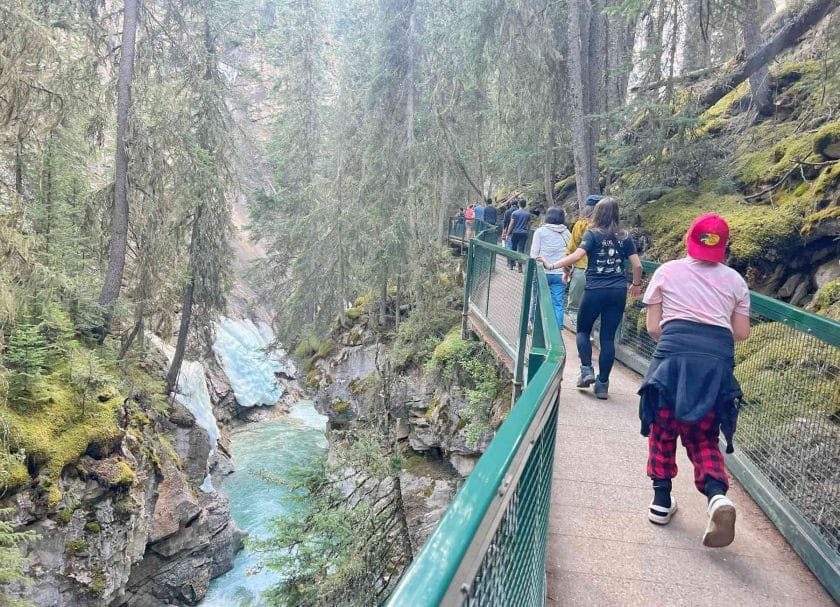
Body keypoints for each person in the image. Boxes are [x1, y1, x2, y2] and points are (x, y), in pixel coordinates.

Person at [639, 213, 750, 548]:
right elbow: (741, 333)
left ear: (690, 238)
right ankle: (716, 496)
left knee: (663, 428)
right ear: (723, 248)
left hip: (672, 358)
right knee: (703, 436)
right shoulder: (735, 282)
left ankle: (661, 500)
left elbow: (653, 327)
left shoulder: (667, 271)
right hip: (715, 365)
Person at [536, 197, 642, 399]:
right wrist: (636, 286)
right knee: (608, 338)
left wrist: (551, 266)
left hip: (595, 289)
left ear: (597, 213)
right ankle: (602, 385)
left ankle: (586, 370)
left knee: (583, 330)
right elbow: (637, 266)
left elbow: (577, 256)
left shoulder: (592, 234)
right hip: (618, 290)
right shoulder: (625, 236)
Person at [530, 206, 571, 328]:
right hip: (560, 273)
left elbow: (534, 254)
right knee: (558, 303)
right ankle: (557, 329)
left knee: (537, 298)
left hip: (542, 272)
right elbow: (570, 253)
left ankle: (534, 324)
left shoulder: (540, 232)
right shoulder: (567, 233)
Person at [566, 195, 602, 319]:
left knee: (576, 306)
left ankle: (581, 331)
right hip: (602, 271)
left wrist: (567, 268)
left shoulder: (580, 225)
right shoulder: (609, 227)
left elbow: (572, 247)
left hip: (581, 269)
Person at [506, 199, 531, 272]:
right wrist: (527, 230)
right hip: (523, 233)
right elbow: (529, 223)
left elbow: (511, 224)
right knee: (521, 249)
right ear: (525, 205)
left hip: (515, 233)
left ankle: (511, 265)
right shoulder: (527, 214)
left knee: (513, 248)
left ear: (519, 205)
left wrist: (508, 233)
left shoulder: (514, 213)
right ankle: (520, 267)